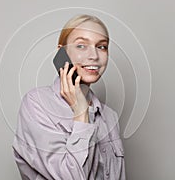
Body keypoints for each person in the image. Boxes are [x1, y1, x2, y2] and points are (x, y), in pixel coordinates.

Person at [13, 14, 126, 180]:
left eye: (102, 46)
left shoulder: (110, 116)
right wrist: (81, 113)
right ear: (62, 52)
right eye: (81, 45)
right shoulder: (36, 104)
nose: (94, 56)